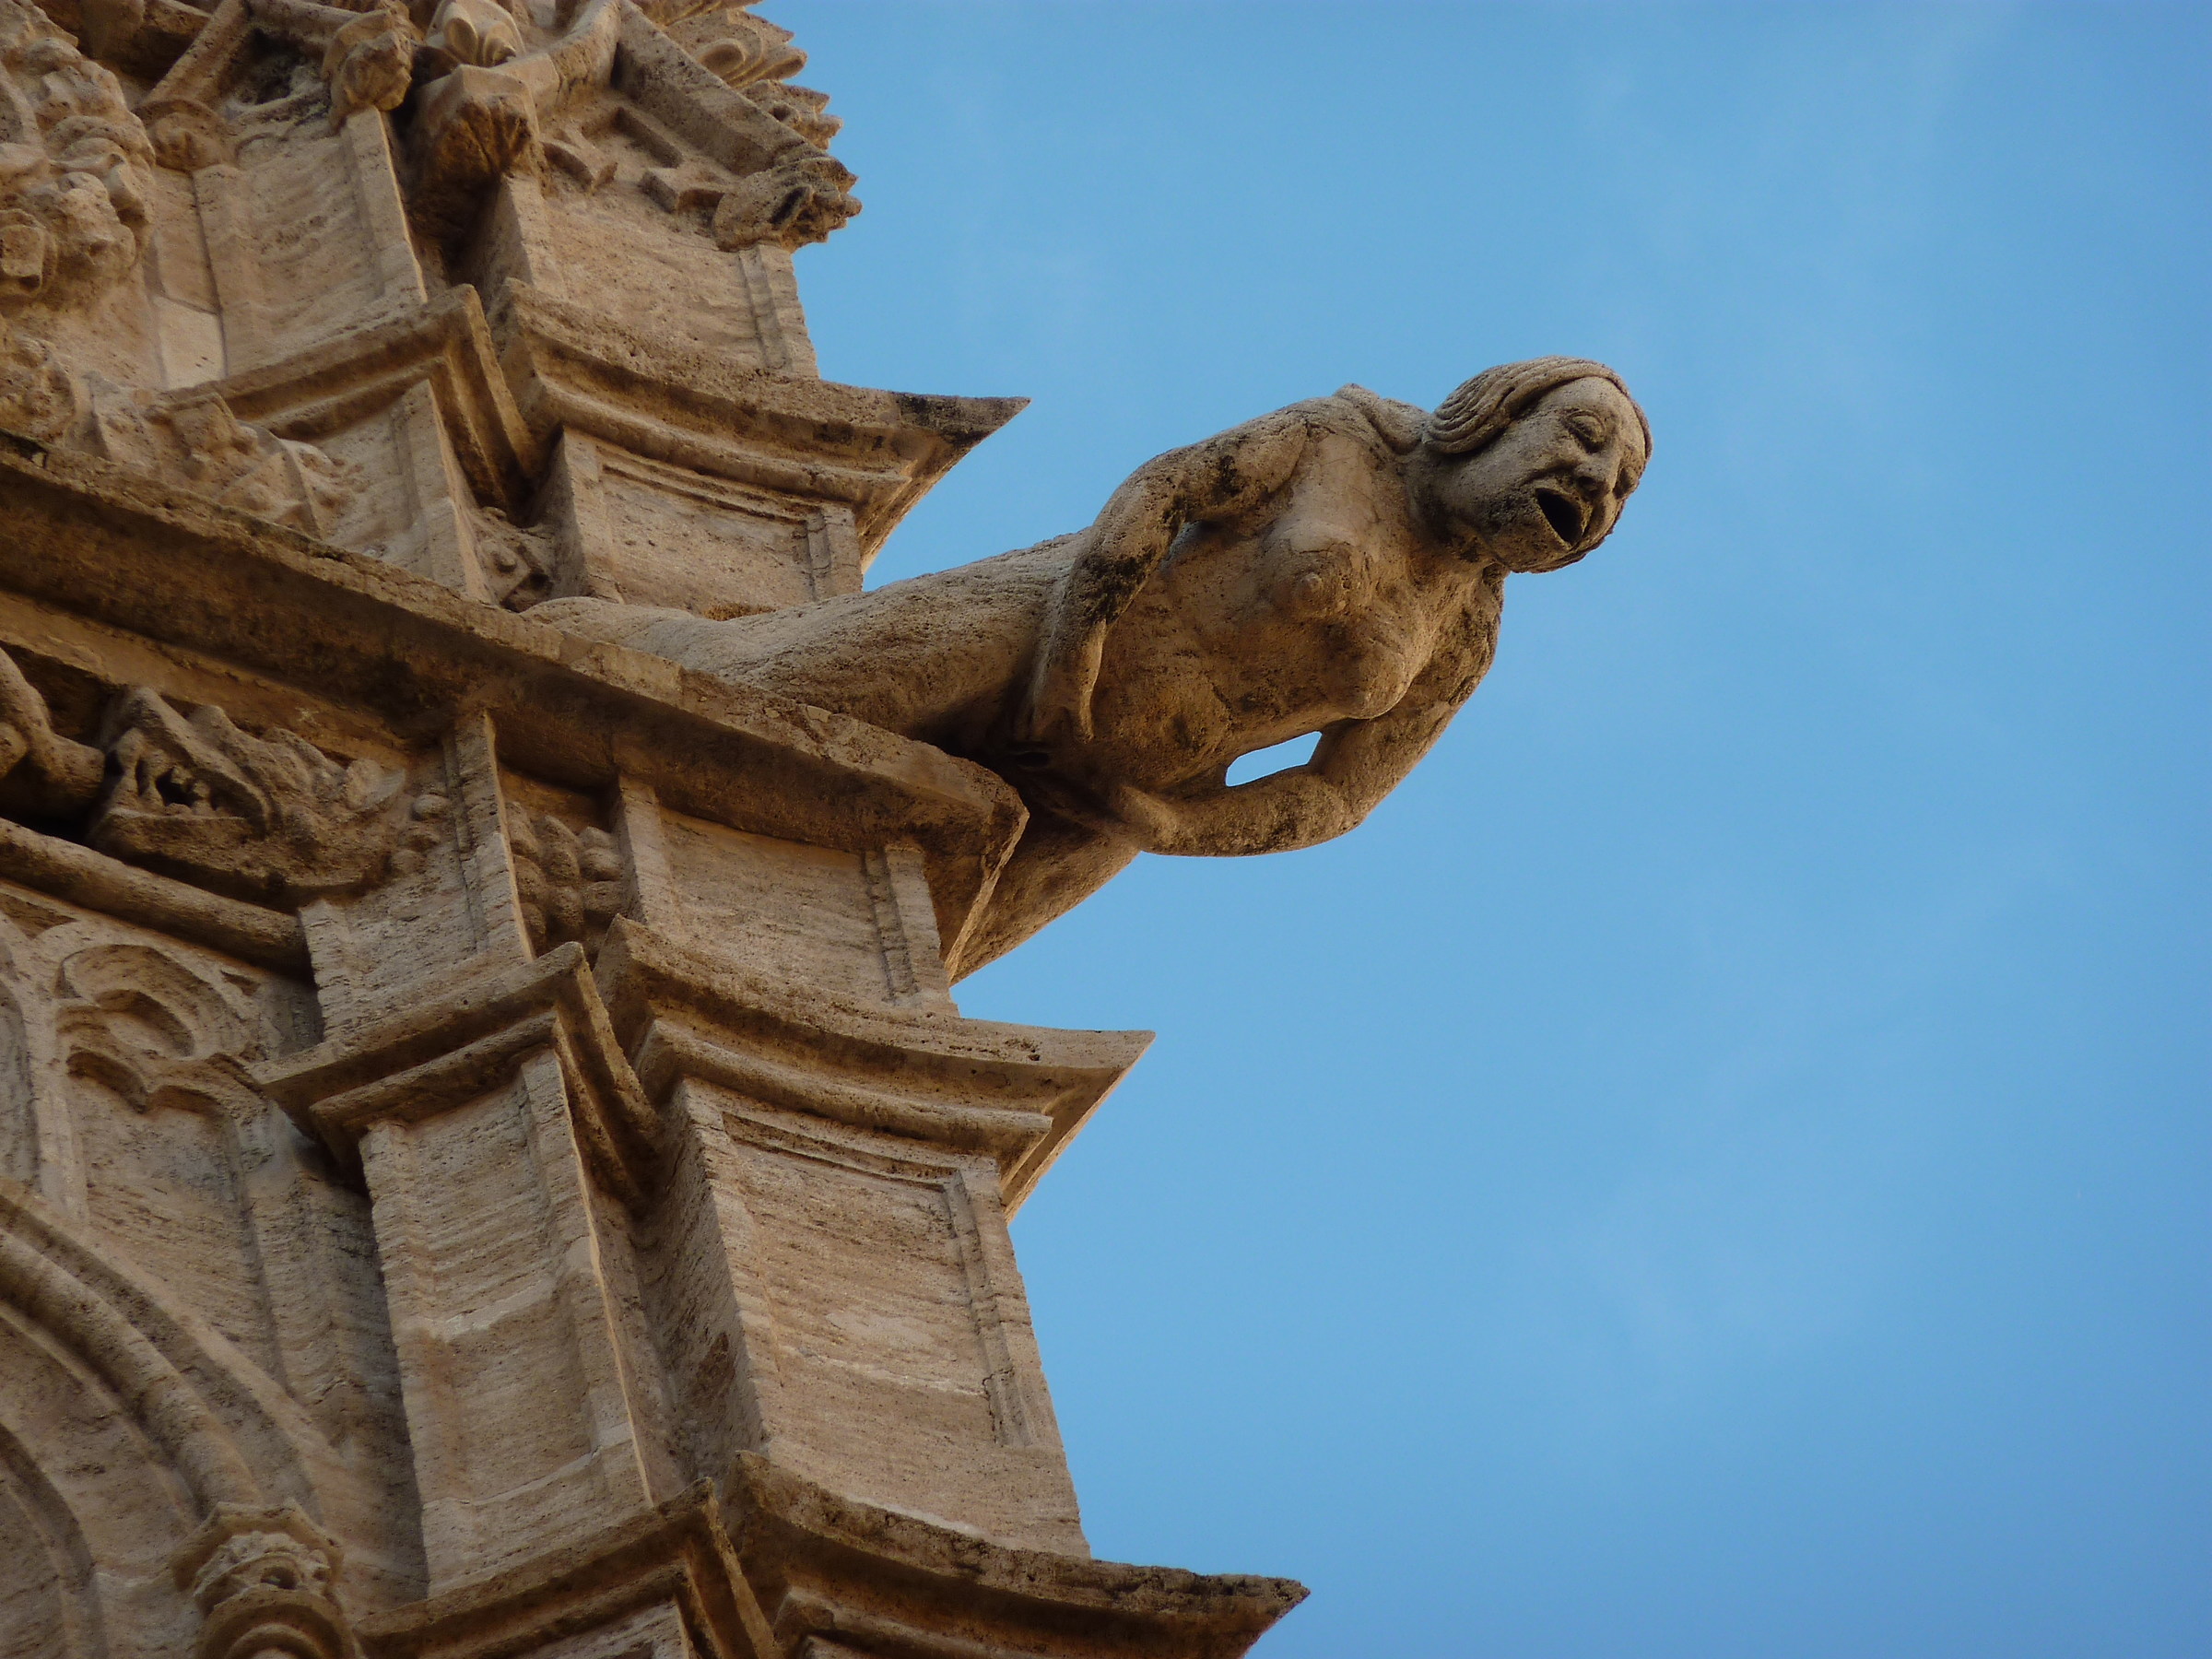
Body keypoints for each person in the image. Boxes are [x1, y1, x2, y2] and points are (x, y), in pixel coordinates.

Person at [538, 356, 1651, 973]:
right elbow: (1151, 503)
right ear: (1496, 411)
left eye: (1618, 490)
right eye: (1586, 438)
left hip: (1101, 804)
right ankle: (558, 646)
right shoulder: (1341, 439)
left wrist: (1159, 822)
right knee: (731, 697)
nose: (1595, 485)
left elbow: (1336, 796)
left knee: (876, 986)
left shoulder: (1464, 639)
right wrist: (1062, 684)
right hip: (1017, 643)